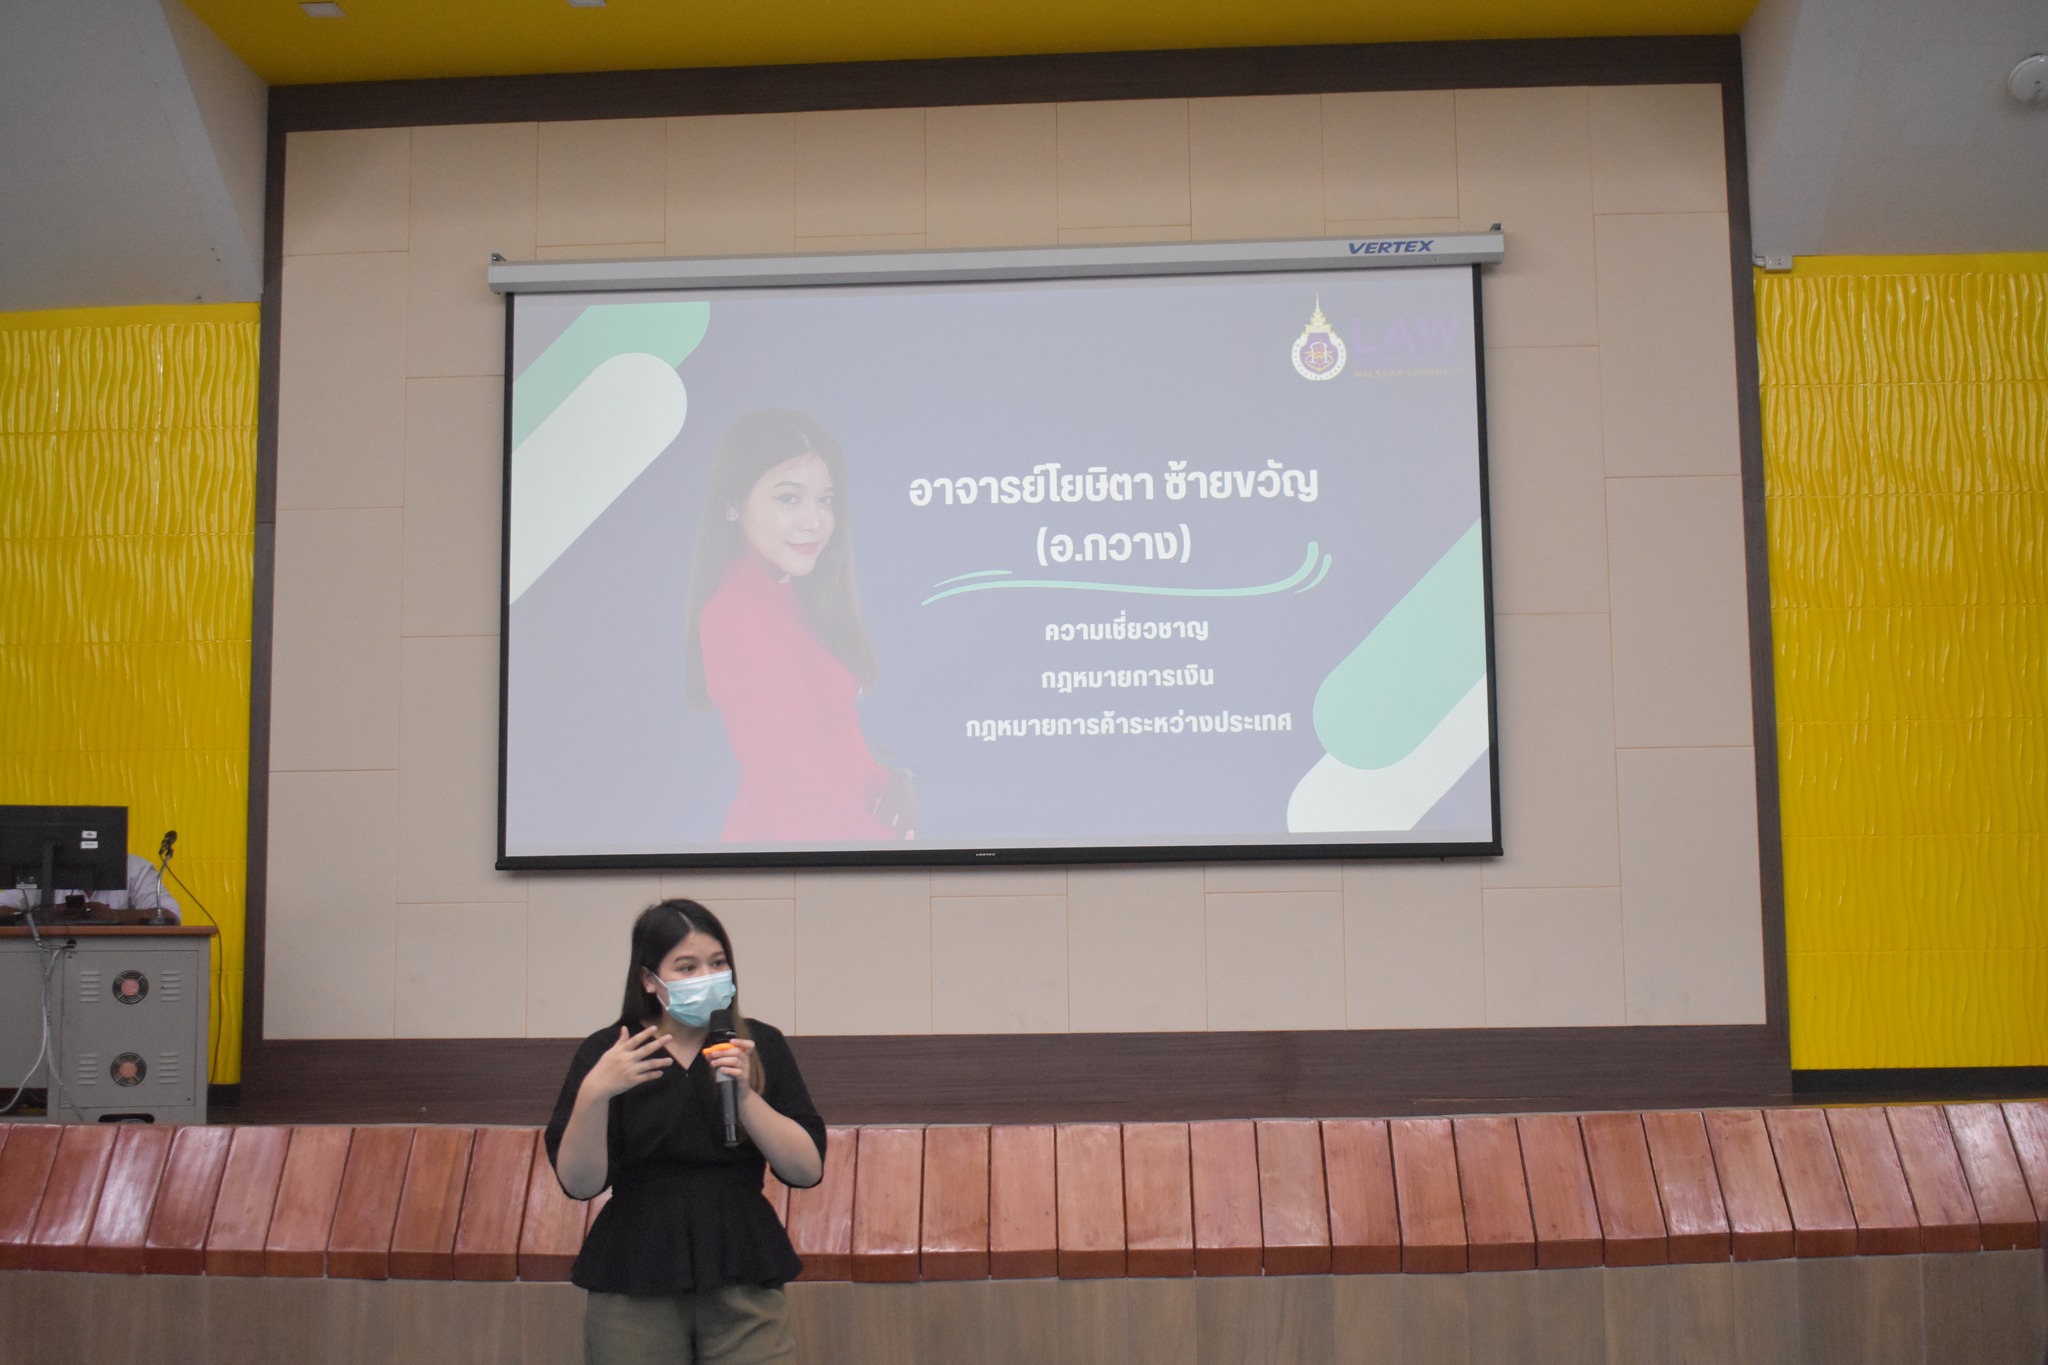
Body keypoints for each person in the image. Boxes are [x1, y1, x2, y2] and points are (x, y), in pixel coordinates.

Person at [546, 899, 825, 1365]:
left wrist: (745, 1096)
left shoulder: (759, 1044)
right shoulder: (611, 1050)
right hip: (636, 1261)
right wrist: (595, 1094)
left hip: (741, 1255)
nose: (707, 977)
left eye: (718, 963)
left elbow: (806, 1169)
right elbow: (580, 1183)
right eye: (687, 967)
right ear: (648, 979)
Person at [683, 409, 915, 843]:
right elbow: (794, 796)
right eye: (789, 498)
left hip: (832, 852)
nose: (814, 522)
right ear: (733, 503)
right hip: (788, 859)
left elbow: (835, 752)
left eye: (825, 500)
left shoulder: (793, 597)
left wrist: (887, 790)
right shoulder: (735, 617)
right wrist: (897, 853)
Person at [0, 852, 179, 921]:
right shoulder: (43, 869)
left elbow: (170, 916)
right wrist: (47, 914)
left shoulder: (134, 868)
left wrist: (114, 916)